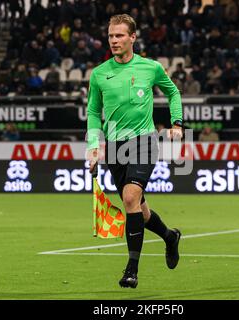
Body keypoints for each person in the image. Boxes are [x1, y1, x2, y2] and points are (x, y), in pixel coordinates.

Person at [86, 14, 183, 289]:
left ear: (132, 37)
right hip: (115, 147)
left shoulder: (150, 68)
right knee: (139, 209)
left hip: (144, 141)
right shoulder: (99, 74)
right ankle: (169, 236)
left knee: (130, 197)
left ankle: (131, 269)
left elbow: (173, 92)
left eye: (119, 35)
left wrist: (177, 123)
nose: (114, 40)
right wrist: (93, 146)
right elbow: (93, 111)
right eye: (110, 36)